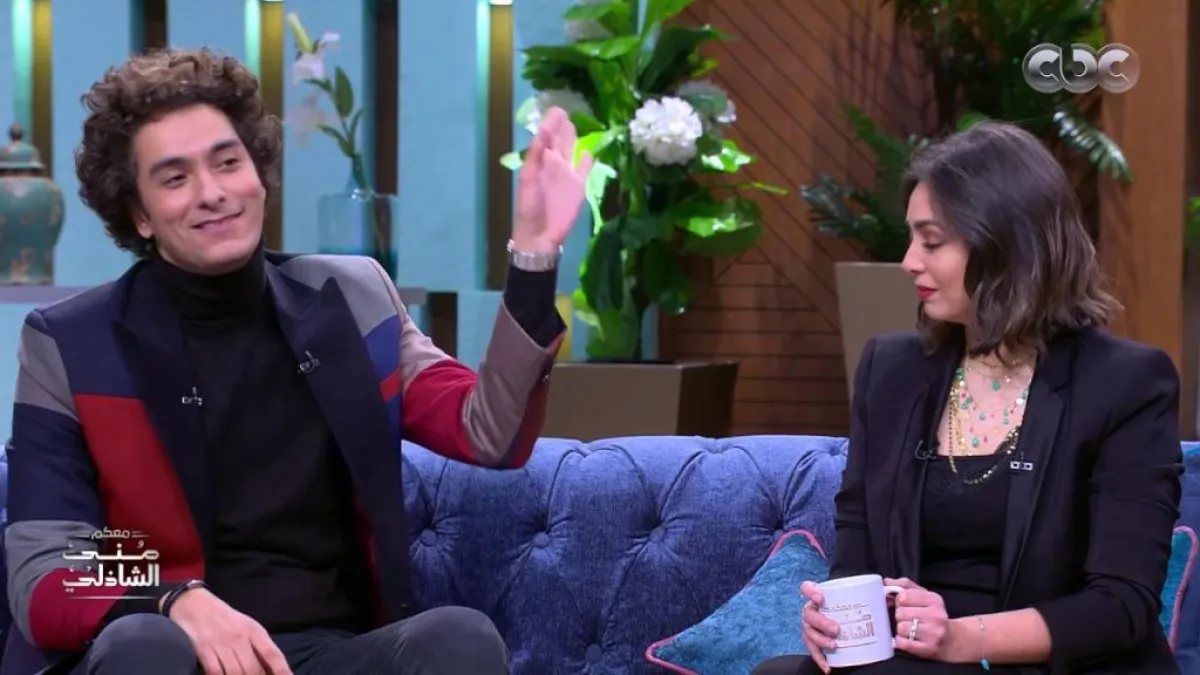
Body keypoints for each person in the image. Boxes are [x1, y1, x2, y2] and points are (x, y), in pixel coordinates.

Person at [4, 48, 593, 675]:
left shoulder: (352, 299)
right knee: (144, 648)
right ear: (140, 214)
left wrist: (533, 256)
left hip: (325, 653)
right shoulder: (71, 343)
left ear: (258, 172)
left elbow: (489, 431)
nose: (213, 193)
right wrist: (170, 600)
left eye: (228, 163)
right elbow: (45, 570)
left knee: (458, 639)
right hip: (171, 653)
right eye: (175, 179)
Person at [754, 122, 1183, 674]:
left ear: (1007, 247)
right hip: (917, 659)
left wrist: (960, 638)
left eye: (932, 242)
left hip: (1059, 662)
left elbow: (1120, 606)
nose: (909, 261)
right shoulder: (892, 370)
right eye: (912, 239)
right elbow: (857, 545)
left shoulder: (1125, 382)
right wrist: (840, 621)